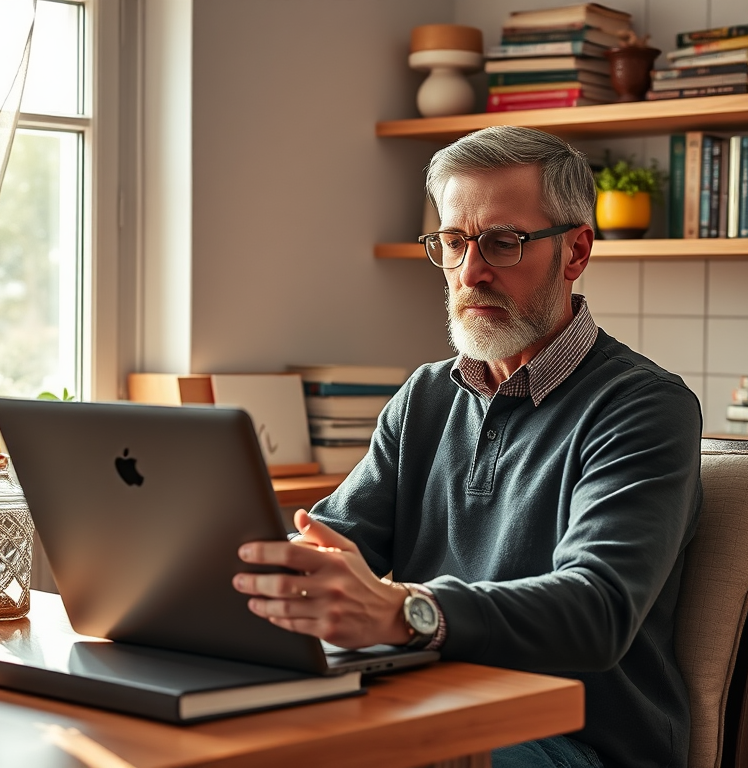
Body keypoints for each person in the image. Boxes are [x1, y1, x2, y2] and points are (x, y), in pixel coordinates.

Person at [232, 125, 703, 768]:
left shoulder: (644, 407)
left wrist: (409, 611)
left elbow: (598, 609)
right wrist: (246, 578)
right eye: (454, 242)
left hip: (575, 744)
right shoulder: (427, 396)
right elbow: (334, 545)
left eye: (503, 243)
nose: (471, 271)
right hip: (433, 708)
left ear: (576, 251)